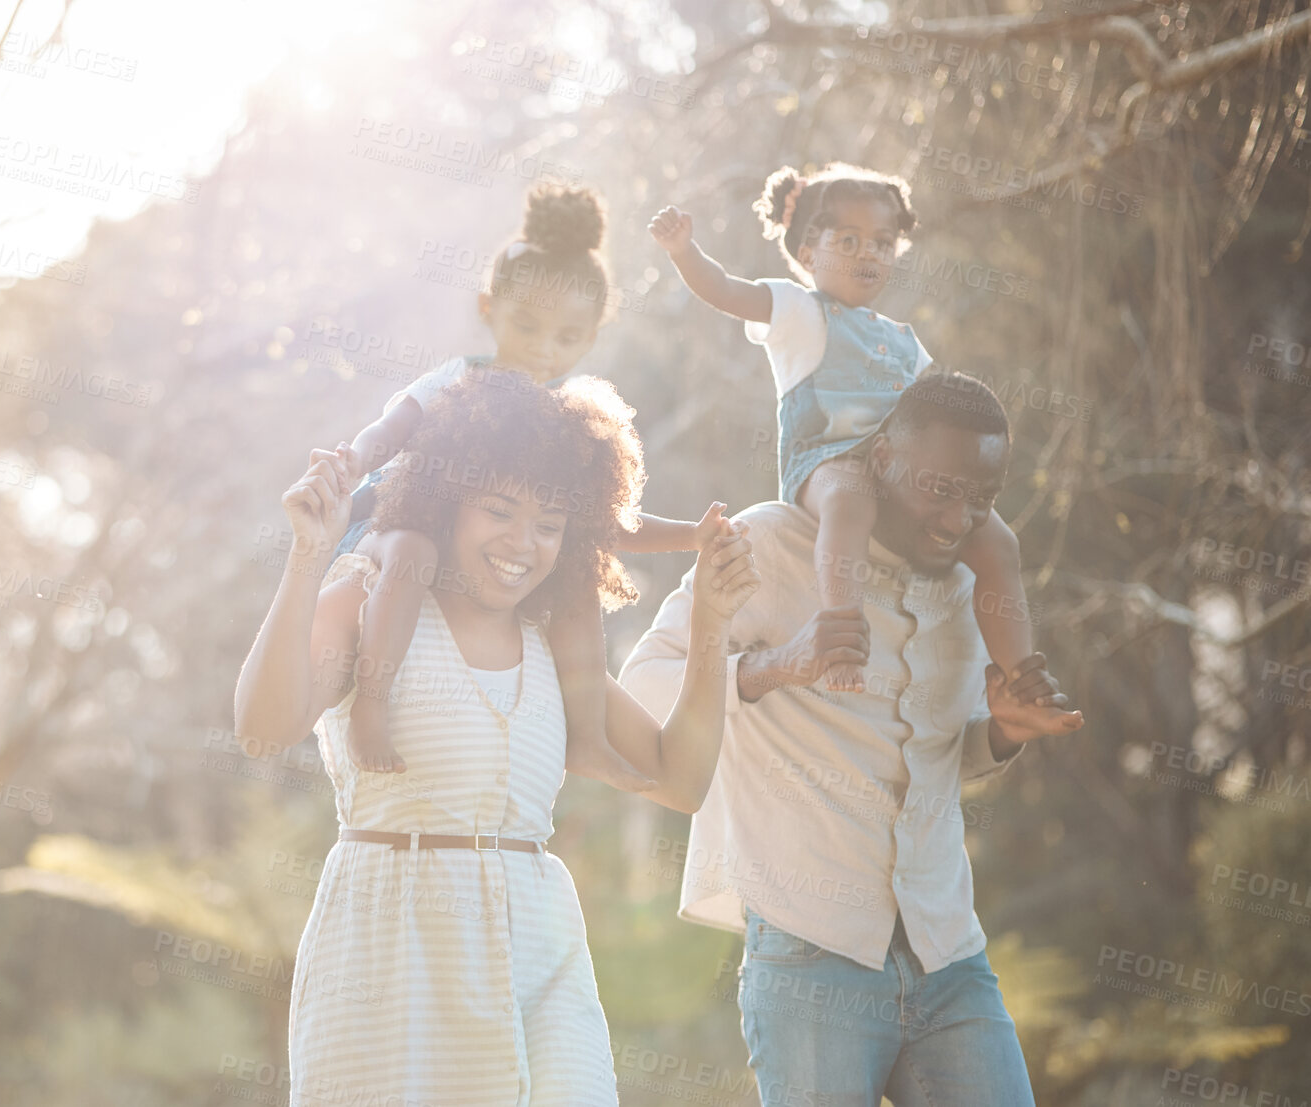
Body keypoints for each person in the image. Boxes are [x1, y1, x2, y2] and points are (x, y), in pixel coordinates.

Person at [234, 374, 759, 1105]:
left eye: (550, 522)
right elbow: (263, 729)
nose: (524, 543)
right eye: (500, 511)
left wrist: (713, 621)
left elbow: (679, 778)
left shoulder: (551, 646)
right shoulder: (368, 595)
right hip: (394, 957)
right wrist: (307, 557)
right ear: (447, 499)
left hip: (540, 953)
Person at [619, 372, 1085, 1107]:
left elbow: (935, 755)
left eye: (981, 499)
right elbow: (640, 686)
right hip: (810, 958)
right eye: (938, 487)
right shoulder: (770, 541)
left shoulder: (970, 588)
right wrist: (775, 666)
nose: (957, 518)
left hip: (948, 955)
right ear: (879, 461)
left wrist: (1002, 733)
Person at [336, 184, 722, 791]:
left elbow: (604, 520)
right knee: (412, 552)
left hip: (480, 557)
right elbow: (390, 430)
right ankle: (370, 706)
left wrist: (692, 537)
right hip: (393, 525)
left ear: (595, 334)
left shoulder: (562, 419)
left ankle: (588, 740)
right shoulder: (459, 378)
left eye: (567, 338)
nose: (544, 349)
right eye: (527, 325)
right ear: (489, 305)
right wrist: (348, 462)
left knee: (577, 577)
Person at [650, 164, 1069, 721]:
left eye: (882, 242)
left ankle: (1021, 678)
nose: (867, 253)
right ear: (806, 251)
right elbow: (726, 291)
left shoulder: (901, 339)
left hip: (893, 469)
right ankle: (843, 635)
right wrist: (684, 251)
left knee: (997, 540)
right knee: (850, 501)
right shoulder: (799, 311)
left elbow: (934, 416)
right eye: (848, 240)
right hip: (825, 462)